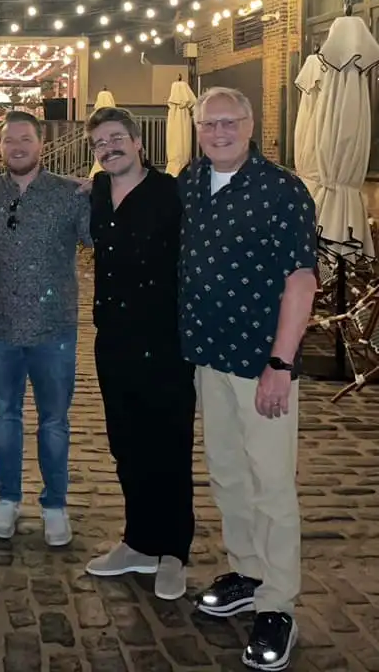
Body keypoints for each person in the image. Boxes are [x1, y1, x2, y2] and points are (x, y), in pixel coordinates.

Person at [180, 87, 317, 671]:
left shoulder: (282, 189)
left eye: (228, 122)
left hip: (262, 364)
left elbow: (301, 280)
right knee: (227, 474)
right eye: (208, 123)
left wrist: (281, 365)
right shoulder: (192, 181)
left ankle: (278, 602)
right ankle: (247, 571)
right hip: (208, 356)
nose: (218, 132)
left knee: (271, 483)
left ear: (250, 123)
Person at [83, 107, 195, 600]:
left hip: (164, 340)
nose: (108, 148)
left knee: (168, 446)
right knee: (126, 445)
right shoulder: (98, 192)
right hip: (113, 339)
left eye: (116, 138)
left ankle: (173, 552)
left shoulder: (171, 193)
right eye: (99, 143)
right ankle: (138, 542)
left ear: (137, 142)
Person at [0, 110, 90, 548]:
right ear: (0, 146)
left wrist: (104, 189)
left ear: (41, 144)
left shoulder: (68, 193)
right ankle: (7, 497)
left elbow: (102, 236)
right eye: (10, 140)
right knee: (4, 417)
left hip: (54, 327)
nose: (18, 147)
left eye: (26, 139)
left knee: (54, 421)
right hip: (0, 325)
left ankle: (54, 503)